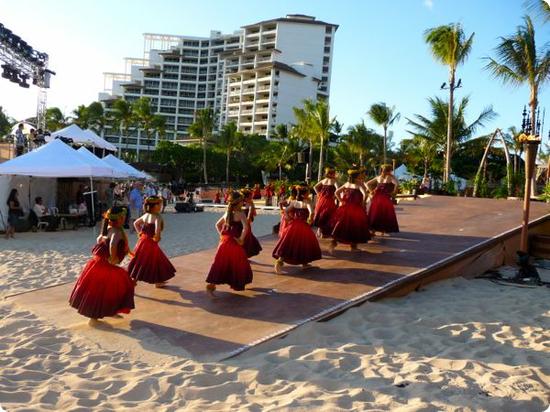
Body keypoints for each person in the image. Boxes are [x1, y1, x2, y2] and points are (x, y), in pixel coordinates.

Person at [69, 206, 135, 324]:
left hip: (97, 263)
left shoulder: (108, 228)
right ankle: (94, 318)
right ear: (120, 218)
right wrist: (113, 257)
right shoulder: (116, 231)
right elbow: (113, 244)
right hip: (104, 265)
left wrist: (125, 253)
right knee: (108, 288)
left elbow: (99, 239)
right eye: (123, 217)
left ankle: (111, 310)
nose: (125, 218)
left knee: (111, 288)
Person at [205, 191, 253, 294]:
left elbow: (217, 225)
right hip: (234, 243)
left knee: (220, 264)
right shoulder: (240, 214)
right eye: (241, 201)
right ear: (238, 203)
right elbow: (246, 228)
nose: (243, 203)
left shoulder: (227, 213)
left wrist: (222, 236)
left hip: (223, 243)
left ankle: (212, 285)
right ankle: (237, 283)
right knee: (238, 263)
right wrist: (241, 239)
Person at [273, 184, 322, 273]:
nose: (309, 195)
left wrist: (289, 218)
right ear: (303, 195)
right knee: (304, 244)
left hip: (293, 225)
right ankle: (304, 263)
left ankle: (281, 261)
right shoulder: (307, 203)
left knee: (288, 244)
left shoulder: (294, 202)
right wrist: (310, 219)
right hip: (303, 226)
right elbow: (311, 212)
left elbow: (286, 211)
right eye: (307, 193)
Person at [128, 196, 176, 287]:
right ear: (155, 206)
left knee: (153, 260)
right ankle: (133, 280)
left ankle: (158, 281)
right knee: (145, 261)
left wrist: (140, 234)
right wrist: (157, 237)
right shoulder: (156, 217)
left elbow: (136, 223)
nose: (161, 206)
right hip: (150, 243)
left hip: (142, 241)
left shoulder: (146, 215)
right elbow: (157, 231)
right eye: (159, 204)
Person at [329, 166, 371, 252]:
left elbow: (336, 192)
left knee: (342, 225)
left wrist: (341, 201)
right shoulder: (359, 184)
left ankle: (334, 242)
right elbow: (365, 194)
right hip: (356, 209)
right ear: (356, 176)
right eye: (359, 175)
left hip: (345, 208)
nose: (360, 176)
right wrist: (363, 202)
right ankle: (353, 247)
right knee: (355, 226)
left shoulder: (346, 184)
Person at [367, 165, 400, 234]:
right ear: (389, 171)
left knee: (376, 213)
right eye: (389, 170)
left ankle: (375, 231)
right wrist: (394, 192)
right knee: (382, 214)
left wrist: (371, 191)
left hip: (378, 198)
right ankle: (380, 230)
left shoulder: (379, 177)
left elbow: (367, 183)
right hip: (384, 198)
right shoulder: (389, 177)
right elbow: (397, 184)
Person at [313, 166, 339, 238]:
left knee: (320, 214)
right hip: (329, 200)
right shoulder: (334, 181)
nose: (335, 175)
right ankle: (324, 232)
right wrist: (334, 196)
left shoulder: (323, 180)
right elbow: (338, 189)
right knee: (328, 215)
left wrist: (318, 193)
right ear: (330, 174)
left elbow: (315, 187)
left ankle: (319, 231)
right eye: (334, 174)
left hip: (321, 200)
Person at [240, 188, 262, 258]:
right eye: (250, 197)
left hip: (244, 224)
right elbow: (251, 216)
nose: (251, 198)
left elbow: (253, 215)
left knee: (246, 240)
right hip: (245, 224)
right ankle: (242, 255)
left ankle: (243, 256)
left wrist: (252, 207)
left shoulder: (241, 204)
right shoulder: (248, 204)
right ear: (245, 197)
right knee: (246, 240)